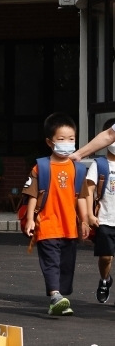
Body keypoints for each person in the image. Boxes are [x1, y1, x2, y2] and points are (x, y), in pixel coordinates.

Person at [22, 112, 90, 316]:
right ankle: (55, 295)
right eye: (61, 139)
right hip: (47, 224)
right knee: (51, 263)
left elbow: (81, 197)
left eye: (71, 139)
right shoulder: (41, 167)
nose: (67, 143)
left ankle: (59, 298)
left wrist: (84, 221)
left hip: (69, 227)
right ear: (49, 142)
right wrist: (30, 219)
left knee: (66, 265)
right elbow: (32, 195)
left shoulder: (78, 169)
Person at [82, 118, 115, 305]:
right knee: (106, 257)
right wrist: (89, 214)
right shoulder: (100, 164)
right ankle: (105, 279)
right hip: (105, 219)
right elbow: (89, 190)